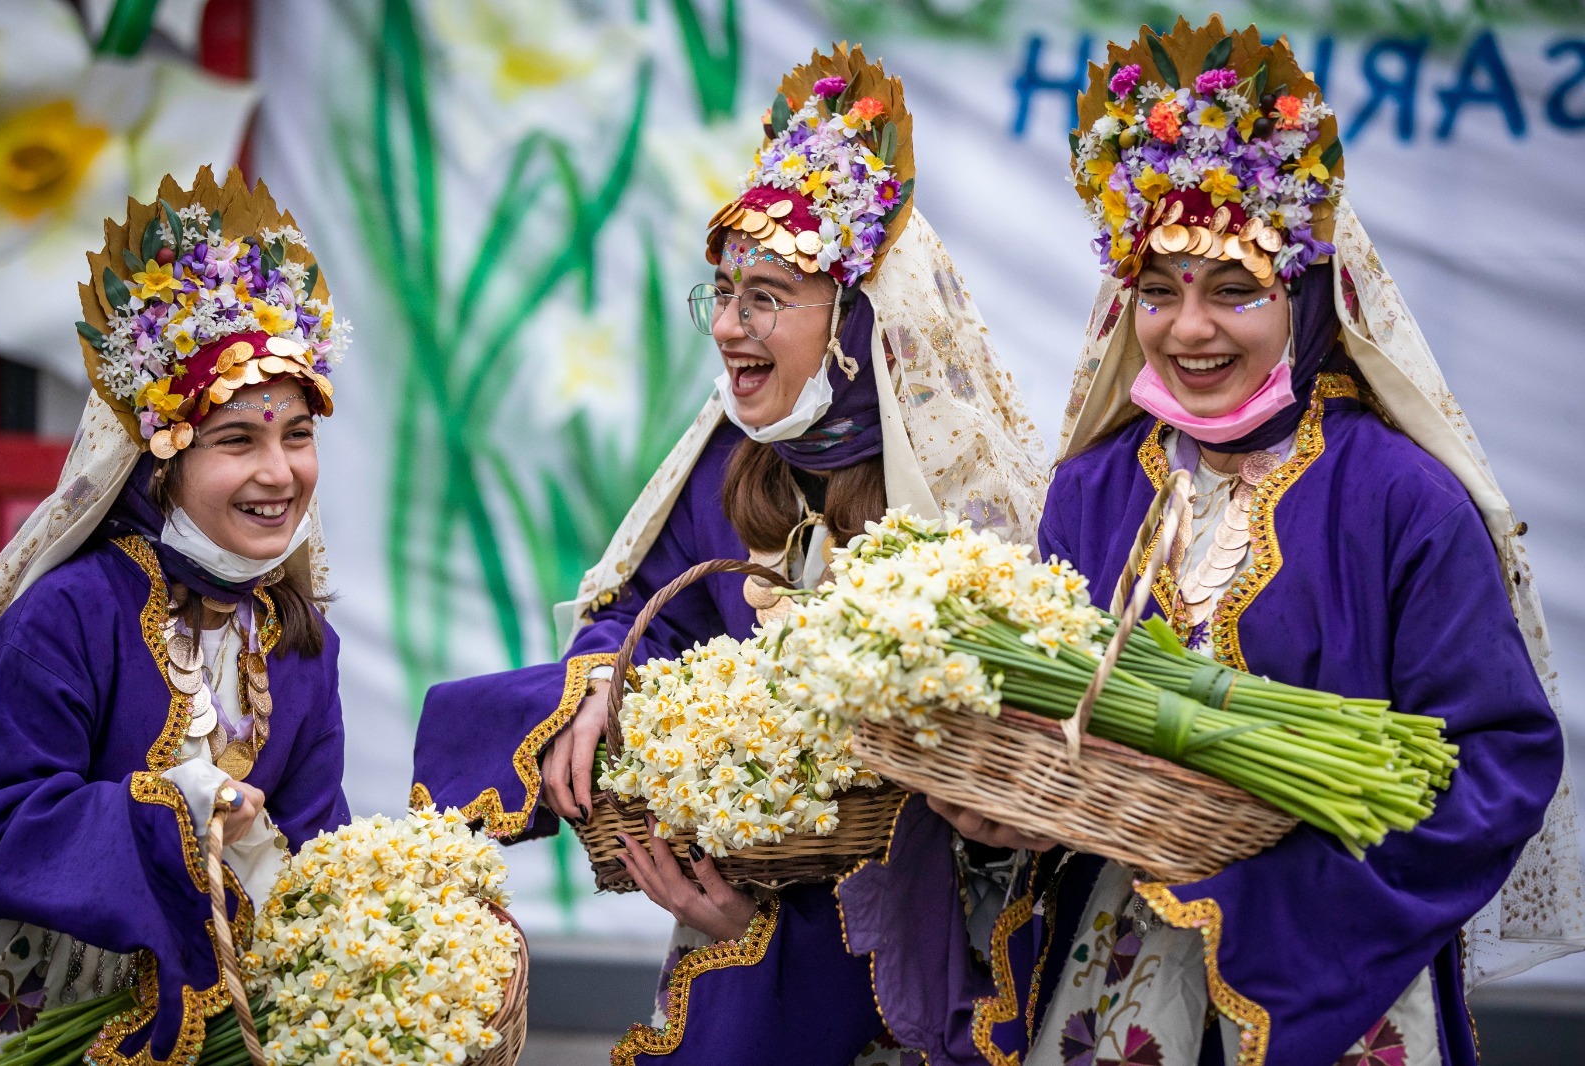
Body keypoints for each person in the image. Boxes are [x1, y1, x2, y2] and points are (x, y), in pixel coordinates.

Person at [924, 18, 1584, 1064]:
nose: (1189, 331)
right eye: (1157, 290)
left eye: (1233, 289)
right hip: (1114, 976)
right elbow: (1048, 731)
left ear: (1308, 296)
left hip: (1331, 980)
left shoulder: (1400, 499)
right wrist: (1010, 817)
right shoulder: (1092, 490)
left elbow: (1498, 763)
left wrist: (1270, 891)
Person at [412, 45, 1055, 1064]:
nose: (726, 328)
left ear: (855, 323)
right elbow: (643, 613)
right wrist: (596, 674)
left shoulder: (952, 488)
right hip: (734, 909)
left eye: (764, 297)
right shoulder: (732, 459)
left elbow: (1015, 772)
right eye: (718, 293)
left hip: (927, 961)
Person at [0, 167, 352, 1059]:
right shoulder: (70, 616)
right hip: (37, 1020)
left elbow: (312, 852)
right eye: (238, 439)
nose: (280, 473)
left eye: (296, 433)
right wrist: (170, 811)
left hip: (234, 1022)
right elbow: (1, 821)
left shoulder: (300, 640)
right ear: (158, 463)